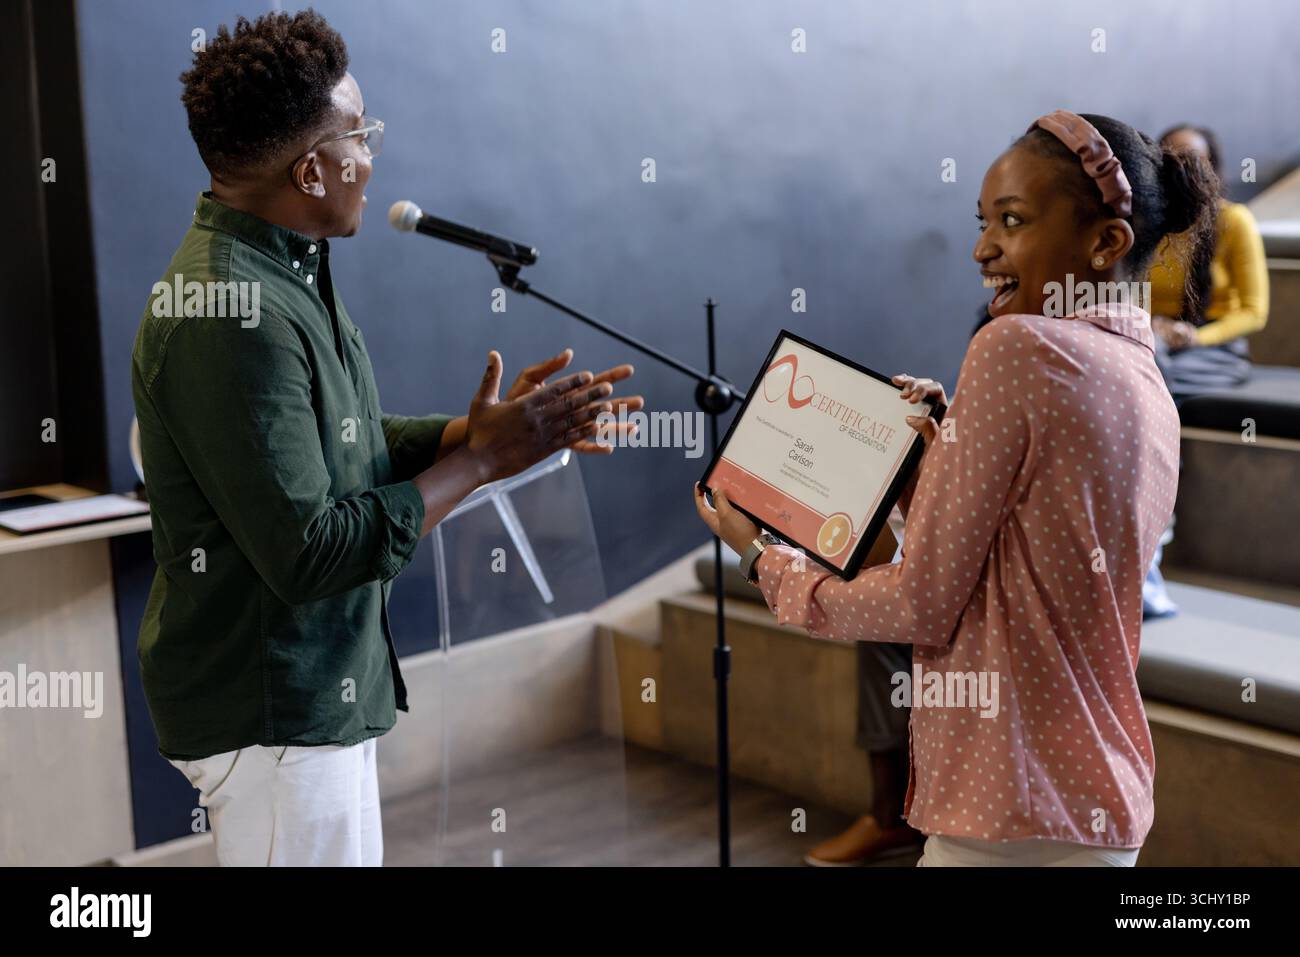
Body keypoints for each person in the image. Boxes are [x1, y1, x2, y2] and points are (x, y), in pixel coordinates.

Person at [132, 10, 641, 866]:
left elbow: (345, 443)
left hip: (314, 694)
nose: (371, 157)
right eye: (360, 134)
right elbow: (310, 552)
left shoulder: (284, 266)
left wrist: (472, 434)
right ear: (310, 168)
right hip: (277, 718)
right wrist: (480, 462)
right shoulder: (234, 314)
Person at [695, 111, 1217, 866]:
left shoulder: (1015, 346)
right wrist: (934, 465)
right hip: (1092, 800)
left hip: (1009, 803)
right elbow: (1022, 558)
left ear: (1106, 243)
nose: (982, 249)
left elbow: (919, 603)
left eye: (1012, 220)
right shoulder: (1144, 379)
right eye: (983, 222)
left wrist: (766, 563)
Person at [1149, 124, 1270, 401]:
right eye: (1172, 160)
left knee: (1151, 373)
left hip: (1213, 348)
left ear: (1212, 168)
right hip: (1155, 339)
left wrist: (1194, 337)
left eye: (1192, 160)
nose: (1181, 170)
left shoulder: (1234, 221)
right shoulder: (1151, 225)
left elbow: (1254, 312)